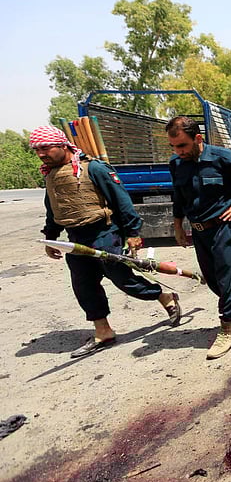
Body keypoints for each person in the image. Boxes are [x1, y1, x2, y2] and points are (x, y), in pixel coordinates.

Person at [31, 125, 181, 358]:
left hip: (104, 234)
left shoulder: (94, 168)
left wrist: (132, 233)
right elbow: (53, 208)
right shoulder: (51, 175)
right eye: (37, 150)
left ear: (62, 145)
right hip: (75, 238)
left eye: (46, 148)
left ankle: (164, 296)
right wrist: (51, 238)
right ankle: (103, 331)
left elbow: (121, 200)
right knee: (84, 286)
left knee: (124, 280)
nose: (41, 154)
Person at [166, 115, 231, 360]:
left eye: (183, 145)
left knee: (228, 278)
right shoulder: (176, 164)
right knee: (213, 280)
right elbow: (178, 196)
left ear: (198, 138)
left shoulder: (222, 158)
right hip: (199, 231)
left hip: (224, 228)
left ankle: (227, 329)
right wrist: (178, 226)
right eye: (174, 147)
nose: (178, 151)